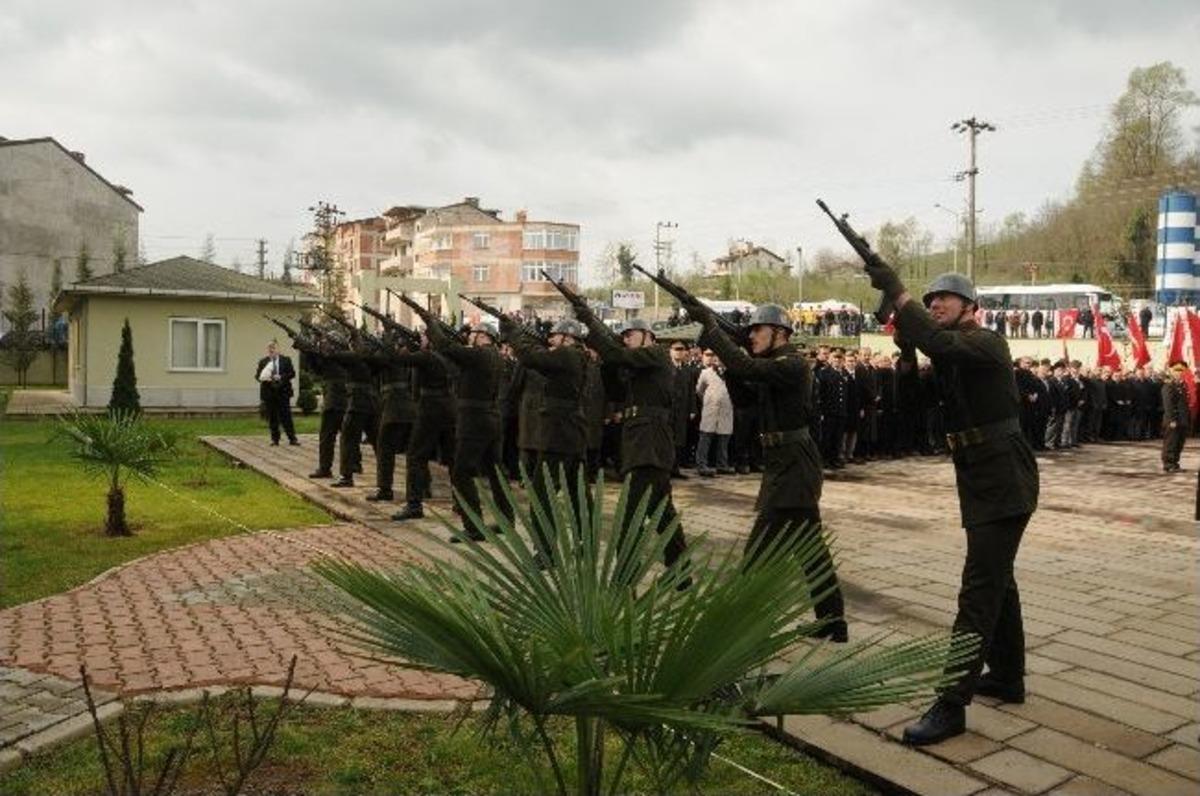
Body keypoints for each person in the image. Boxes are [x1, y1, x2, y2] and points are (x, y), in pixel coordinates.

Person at [860, 266, 1038, 746]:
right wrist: (903, 350)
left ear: (970, 307)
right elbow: (912, 402)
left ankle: (951, 703)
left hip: (1003, 477)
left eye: (945, 299)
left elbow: (943, 346)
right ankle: (1007, 676)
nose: (936, 303)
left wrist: (897, 293)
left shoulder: (987, 344)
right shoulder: (948, 354)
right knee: (998, 577)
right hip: (980, 475)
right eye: (931, 298)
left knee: (977, 592)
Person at [681, 300, 846, 642]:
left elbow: (749, 369)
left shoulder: (793, 363)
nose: (752, 335)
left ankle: (735, 628)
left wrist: (714, 332)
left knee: (759, 552)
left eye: (758, 329)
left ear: (780, 332)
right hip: (784, 462)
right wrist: (735, 354)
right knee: (810, 550)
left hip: (794, 464)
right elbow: (743, 397)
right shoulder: (770, 363)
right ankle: (832, 623)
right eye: (750, 330)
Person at [572, 314, 689, 577]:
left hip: (649, 442)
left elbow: (618, 356)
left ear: (648, 336)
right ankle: (681, 570)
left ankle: (625, 574)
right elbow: (615, 390)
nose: (625, 339)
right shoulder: (639, 366)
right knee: (661, 511)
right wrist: (606, 362)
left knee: (630, 512)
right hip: (640, 440)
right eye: (623, 336)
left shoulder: (656, 354)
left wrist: (589, 324)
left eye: (630, 334)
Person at [695, 349, 734, 476]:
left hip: (726, 409)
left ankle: (722, 465)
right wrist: (708, 400)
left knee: (724, 438)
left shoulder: (731, 373)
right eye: (716, 357)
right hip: (710, 409)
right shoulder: (705, 373)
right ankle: (701, 465)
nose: (718, 360)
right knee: (705, 437)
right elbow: (699, 390)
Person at [256, 340, 299, 446]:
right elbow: (258, 376)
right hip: (269, 393)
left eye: (273, 347)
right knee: (272, 417)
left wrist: (281, 377)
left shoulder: (286, 360)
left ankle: (292, 438)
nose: (271, 350)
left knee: (286, 416)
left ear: (278, 349)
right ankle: (275, 440)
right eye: (269, 348)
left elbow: (292, 374)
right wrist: (267, 378)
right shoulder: (263, 362)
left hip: (283, 393)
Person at [1162, 363, 1190, 473]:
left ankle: (1175, 463)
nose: (1179, 373)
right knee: (1171, 442)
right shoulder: (1169, 386)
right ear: (1171, 372)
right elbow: (1168, 405)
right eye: (1176, 371)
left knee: (1179, 442)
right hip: (1174, 419)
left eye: (1181, 371)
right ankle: (1168, 464)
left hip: (1182, 419)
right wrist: (1172, 420)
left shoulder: (1181, 386)